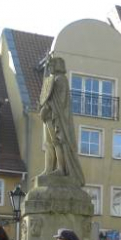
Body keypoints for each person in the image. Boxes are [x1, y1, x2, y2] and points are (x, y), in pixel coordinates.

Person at [39, 55, 85, 186]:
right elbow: (46, 96)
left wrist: (48, 106)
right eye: (50, 65)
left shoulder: (61, 80)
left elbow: (59, 100)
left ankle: (61, 168)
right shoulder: (52, 79)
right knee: (48, 143)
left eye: (52, 65)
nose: (51, 67)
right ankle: (48, 169)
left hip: (57, 116)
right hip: (48, 116)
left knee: (57, 141)